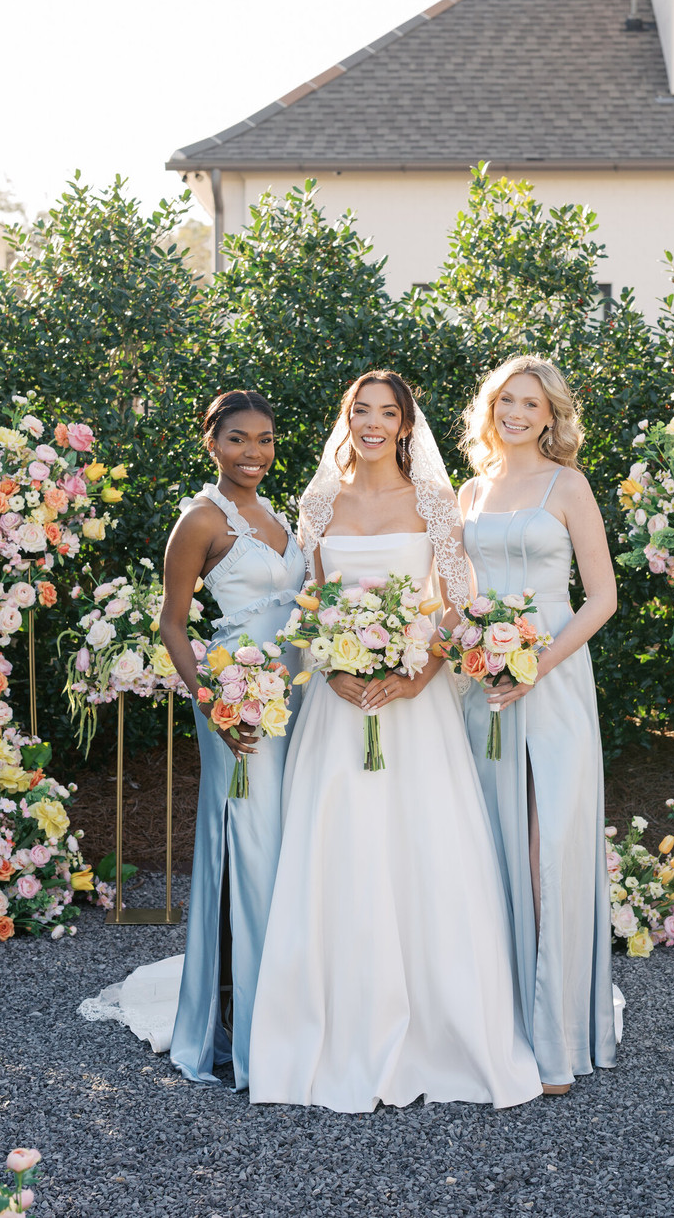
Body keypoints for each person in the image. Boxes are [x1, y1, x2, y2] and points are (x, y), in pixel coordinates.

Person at [247, 370, 541, 1112]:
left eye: (387, 413)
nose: (373, 423)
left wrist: (420, 673)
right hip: (338, 706)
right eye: (360, 411)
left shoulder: (435, 502)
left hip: (417, 707)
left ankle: (445, 1027)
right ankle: (330, 1024)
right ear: (347, 418)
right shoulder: (318, 503)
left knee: (425, 852)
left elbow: (459, 602)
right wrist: (330, 662)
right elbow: (307, 603)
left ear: (407, 426)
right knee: (338, 851)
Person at [458, 356, 620, 1092]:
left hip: (549, 677)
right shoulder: (469, 490)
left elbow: (601, 599)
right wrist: (476, 653)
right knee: (486, 838)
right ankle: (495, 1027)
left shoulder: (569, 485)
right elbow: (456, 591)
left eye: (531, 402)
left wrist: (534, 664)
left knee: (545, 837)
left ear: (552, 415)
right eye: (505, 400)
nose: (517, 412)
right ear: (489, 409)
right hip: (480, 684)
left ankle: (554, 1037)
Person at [161, 389, 306, 1086]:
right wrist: (213, 701)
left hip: (297, 694)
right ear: (211, 442)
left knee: (286, 848)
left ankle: (288, 1011)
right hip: (236, 698)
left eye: (266, 439)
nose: (254, 453)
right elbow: (171, 623)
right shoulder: (200, 520)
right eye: (239, 439)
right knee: (247, 851)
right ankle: (241, 1033)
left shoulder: (277, 515)